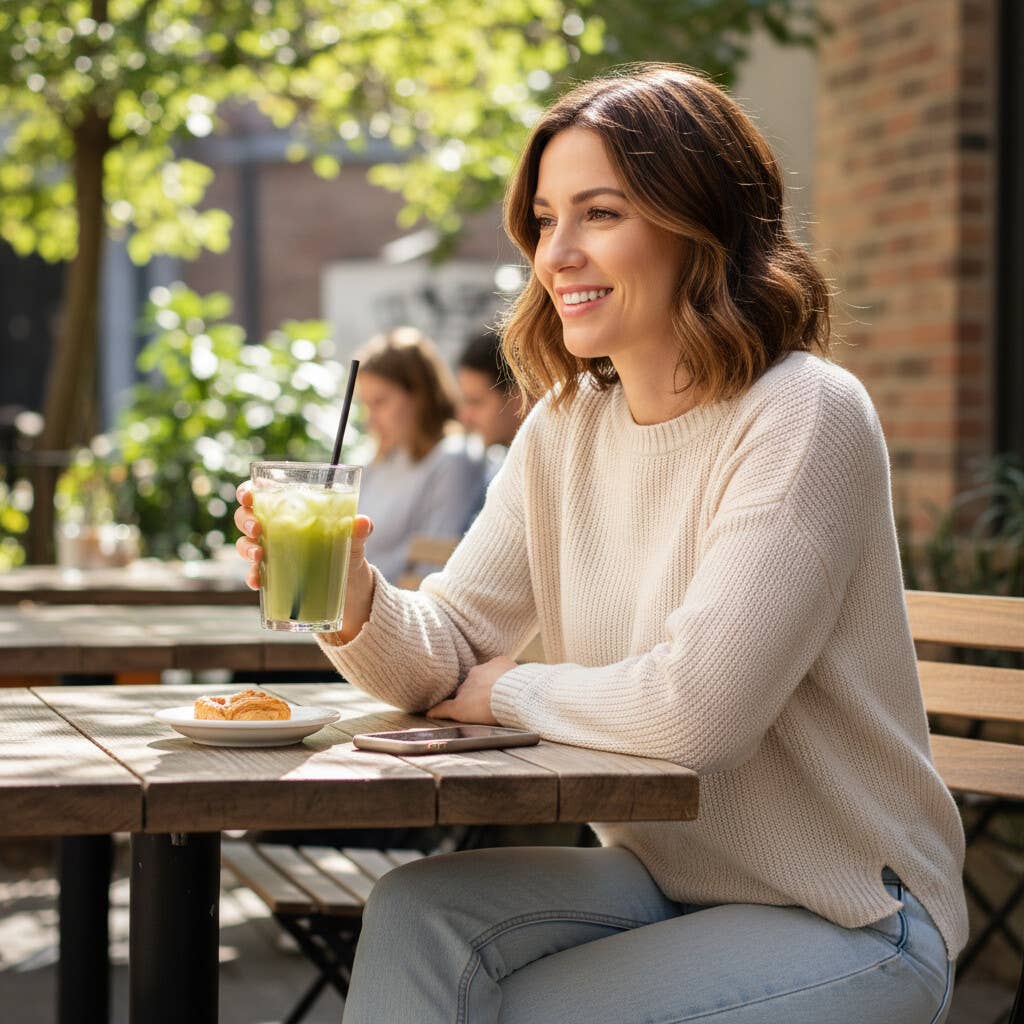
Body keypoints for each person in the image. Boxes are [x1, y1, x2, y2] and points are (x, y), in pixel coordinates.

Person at [236, 64, 966, 1023]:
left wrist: (511, 689)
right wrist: (357, 598)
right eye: (544, 219)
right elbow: (449, 642)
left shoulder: (803, 414)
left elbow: (698, 713)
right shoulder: (567, 425)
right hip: (670, 880)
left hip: (855, 912)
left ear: (697, 224)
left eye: (601, 214)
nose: (557, 254)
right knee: (417, 913)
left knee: (525, 1010)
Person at [350, 326, 486, 583]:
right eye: (365, 405)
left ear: (419, 396)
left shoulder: (452, 458)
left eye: (380, 402)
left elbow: (430, 569)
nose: (371, 420)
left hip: (394, 614)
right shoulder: (378, 461)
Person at [456, 329, 529, 479]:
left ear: (517, 396)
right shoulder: (497, 464)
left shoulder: (546, 463)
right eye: (465, 401)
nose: (465, 417)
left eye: (476, 402)